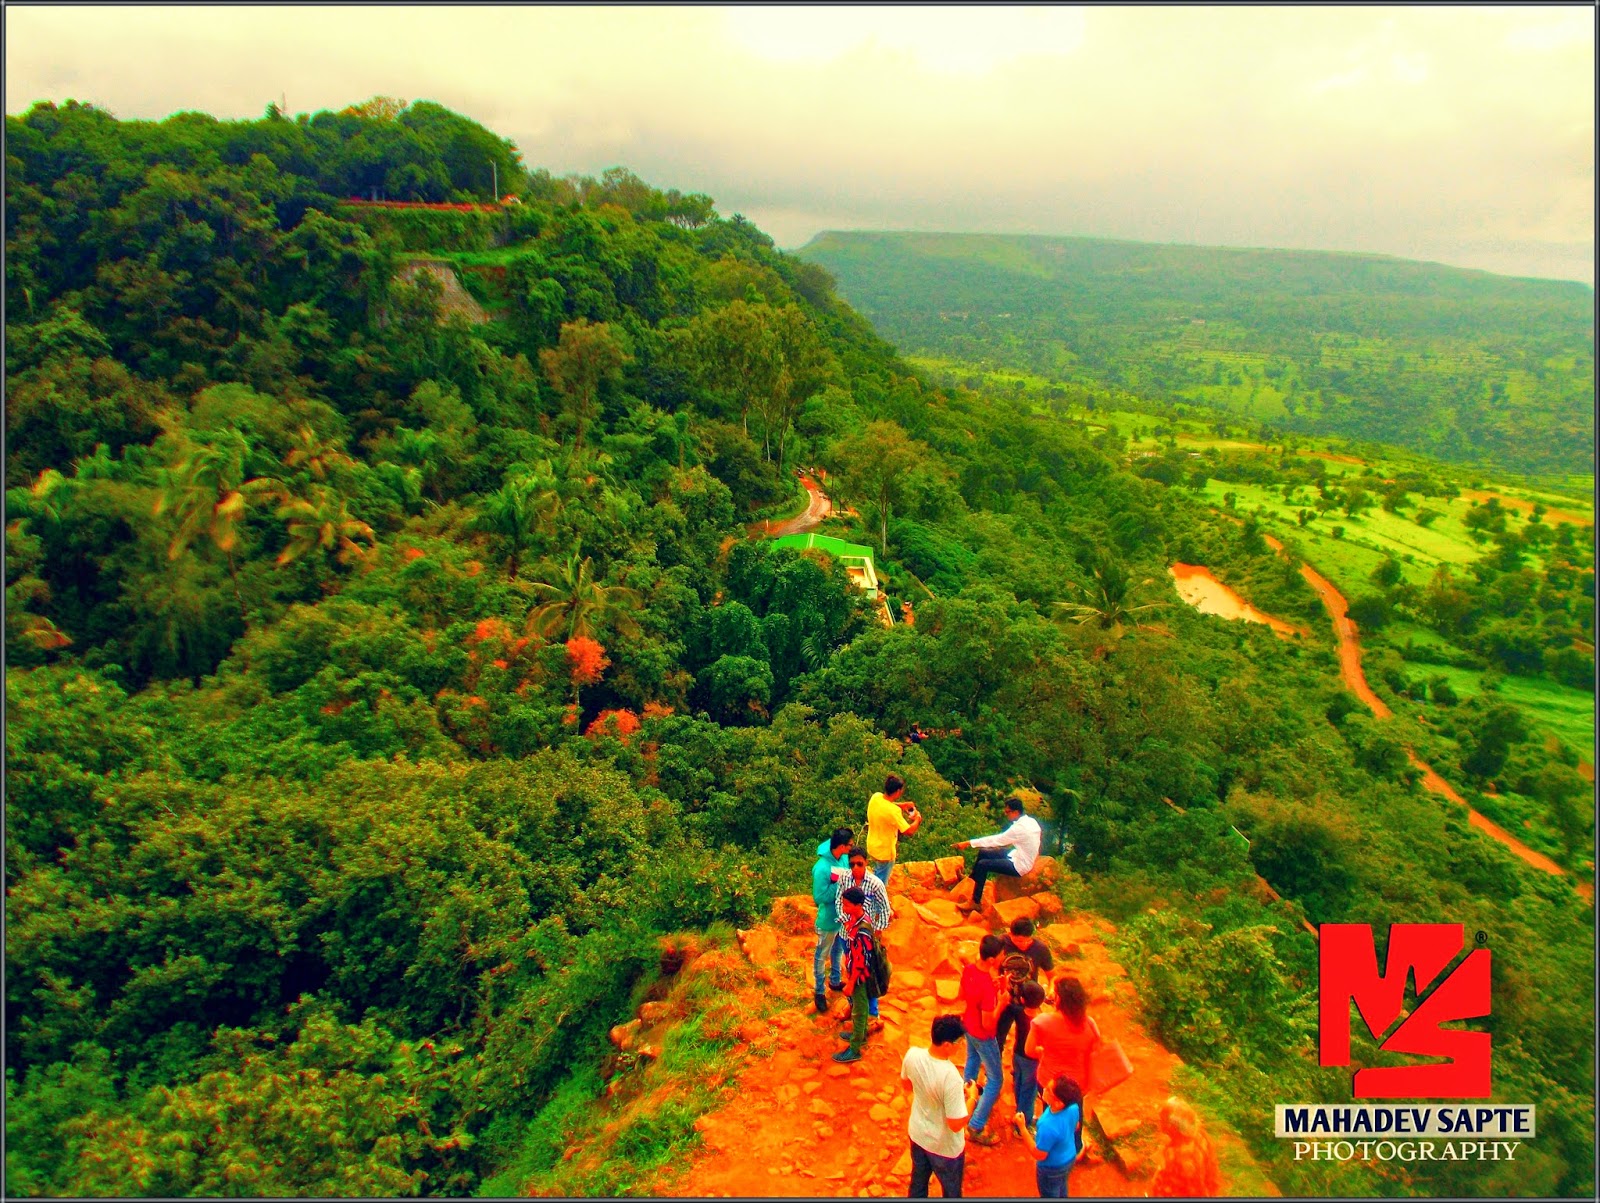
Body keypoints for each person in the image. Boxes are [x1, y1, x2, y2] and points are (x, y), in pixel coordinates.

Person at [902, 1015, 970, 1198]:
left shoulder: (912, 1055)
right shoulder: (951, 1077)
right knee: (951, 1190)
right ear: (947, 1044)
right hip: (944, 1147)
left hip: (918, 1134)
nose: (962, 1045)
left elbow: (907, 1086)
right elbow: (955, 1124)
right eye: (959, 1041)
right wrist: (971, 1099)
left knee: (918, 1183)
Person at [1024, 978, 1099, 1140]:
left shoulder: (1042, 1023)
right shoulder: (1090, 1024)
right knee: (1074, 1116)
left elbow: (1029, 1050)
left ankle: (1049, 1144)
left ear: (1058, 999)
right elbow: (1094, 1052)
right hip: (1078, 1084)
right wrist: (1090, 1083)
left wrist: (1043, 1051)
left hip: (1050, 1081)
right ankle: (1075, 1146)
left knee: (1050, 1113)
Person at [833, 846, 893, 1033]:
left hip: (865, 937)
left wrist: (878, 931)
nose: (856, 868)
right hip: (847, 935)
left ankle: (873, 1016)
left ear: (866, 862)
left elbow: (884, 909)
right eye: (852, 864)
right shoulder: (844, 879)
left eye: (859, 863)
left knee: (868, 975)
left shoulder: (875, 884)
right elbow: (838, 901)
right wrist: (846, 922)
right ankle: (853, 1005)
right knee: (851, 971)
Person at [953, 790, 1042, 907]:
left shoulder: (1019, 829)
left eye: (1007, 812)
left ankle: (975, 902)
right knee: (984, 852)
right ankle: (972, 880)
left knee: (983, 864)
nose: (1006, 814)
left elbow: (997, 840)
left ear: (1016, 812)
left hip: (1020, 865)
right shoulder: (1031, 821)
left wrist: (969, 843)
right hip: (1017, 854)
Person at [959, 934, 1007, 1146]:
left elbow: (962, 995)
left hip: (968, 1025)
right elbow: (989, 1024)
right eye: (1001, 955)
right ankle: (976, 1124)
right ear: (991, 960)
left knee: (972, 1060)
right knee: (996, 1079)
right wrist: (1001, 1003)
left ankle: (963, 1101)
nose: (1003, 957)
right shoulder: (987, 986)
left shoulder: (969, 969)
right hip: (983, 1034)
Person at [995, 917, 1055, 1061]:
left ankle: (1019, 1072)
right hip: (1005, 1000)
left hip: (1027, 1003)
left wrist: (1051, 989)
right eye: (1018, 941)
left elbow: (1052, 976)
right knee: (997, 1037)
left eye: (1026, 941)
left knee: (1025, 1043)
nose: (1023, 945)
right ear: (1010, 934)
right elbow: (990, 965)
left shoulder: (1040, 949)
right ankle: (992, 1069)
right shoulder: (1001, 943)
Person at [1014, 1075, 1084, 1198]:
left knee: (1050, 1193)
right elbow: (1076, 1126)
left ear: (1058, 1103)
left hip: (1052, 1168)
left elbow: (1039, 1154)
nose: (1044, 1089)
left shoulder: (1048, 1126)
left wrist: (1022, 1128)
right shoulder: (1073, 1107)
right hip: (1069, 1158)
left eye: (1049, 1090)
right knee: (1062, 1187)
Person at [833, 886, 879, 1064]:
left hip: (859, 977)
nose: (844, 907)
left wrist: (851, 982)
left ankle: (854, 1048)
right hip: (858, 974)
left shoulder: (862, 930)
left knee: (859, 1010)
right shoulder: (860, 919)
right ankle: (860, 1033)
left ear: (857, 905)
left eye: (846, 904)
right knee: (861, 1006)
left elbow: (860, 961)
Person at [810, 828, 854, 1013]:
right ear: (841, 846)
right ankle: (819, 991)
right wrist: (840, 886)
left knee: (837, 951)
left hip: (842, 917)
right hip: (828, 919)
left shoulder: (843, 858)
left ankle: (835, 980)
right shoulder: (821, 868)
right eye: (850, 845)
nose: (852, 847)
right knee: (822, 955)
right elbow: (819, 896)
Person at [1148, 1096, 1222, 1197]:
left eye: (1162, 1118)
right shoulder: (1200, 1136)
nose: (1158, 1120)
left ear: (1172, 1126)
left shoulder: (1181, 1158)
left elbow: (1193, 1192)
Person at [865, 773, 922, 889]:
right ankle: (874, 903)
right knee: (880, 883)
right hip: (885, 851)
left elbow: (885, 804)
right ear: (897, 791)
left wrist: (903, 805)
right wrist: (917, 819)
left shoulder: (876, 797)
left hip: (873, 845)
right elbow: (909, 831)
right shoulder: (893, 811)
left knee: (877, 873)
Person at [1010, 980, 1048, 1133]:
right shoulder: (1040, 1021)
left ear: (1023, 1000)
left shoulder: (1019, 1012)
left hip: (1017, 1054)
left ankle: (1020, 1114)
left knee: (1019, 1085)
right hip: (1031, 1060)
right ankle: (1022, 1126)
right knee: (1029, 1091)